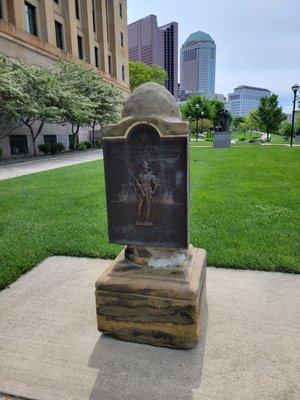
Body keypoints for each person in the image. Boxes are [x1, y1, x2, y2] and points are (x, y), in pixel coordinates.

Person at [132, 161, 157, 226]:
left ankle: (147, 220)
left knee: (148, 207)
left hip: (148, 192)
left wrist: (153, 191)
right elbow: (137, 184)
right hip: (141, 192)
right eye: (144, 167)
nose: (145, 168)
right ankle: (139, 219)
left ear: (148, 168)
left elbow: (155, 184)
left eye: (146, 167)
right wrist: (138, 186)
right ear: (142, 168)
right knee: (139, 207)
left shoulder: (152, 176)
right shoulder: (140, 175)